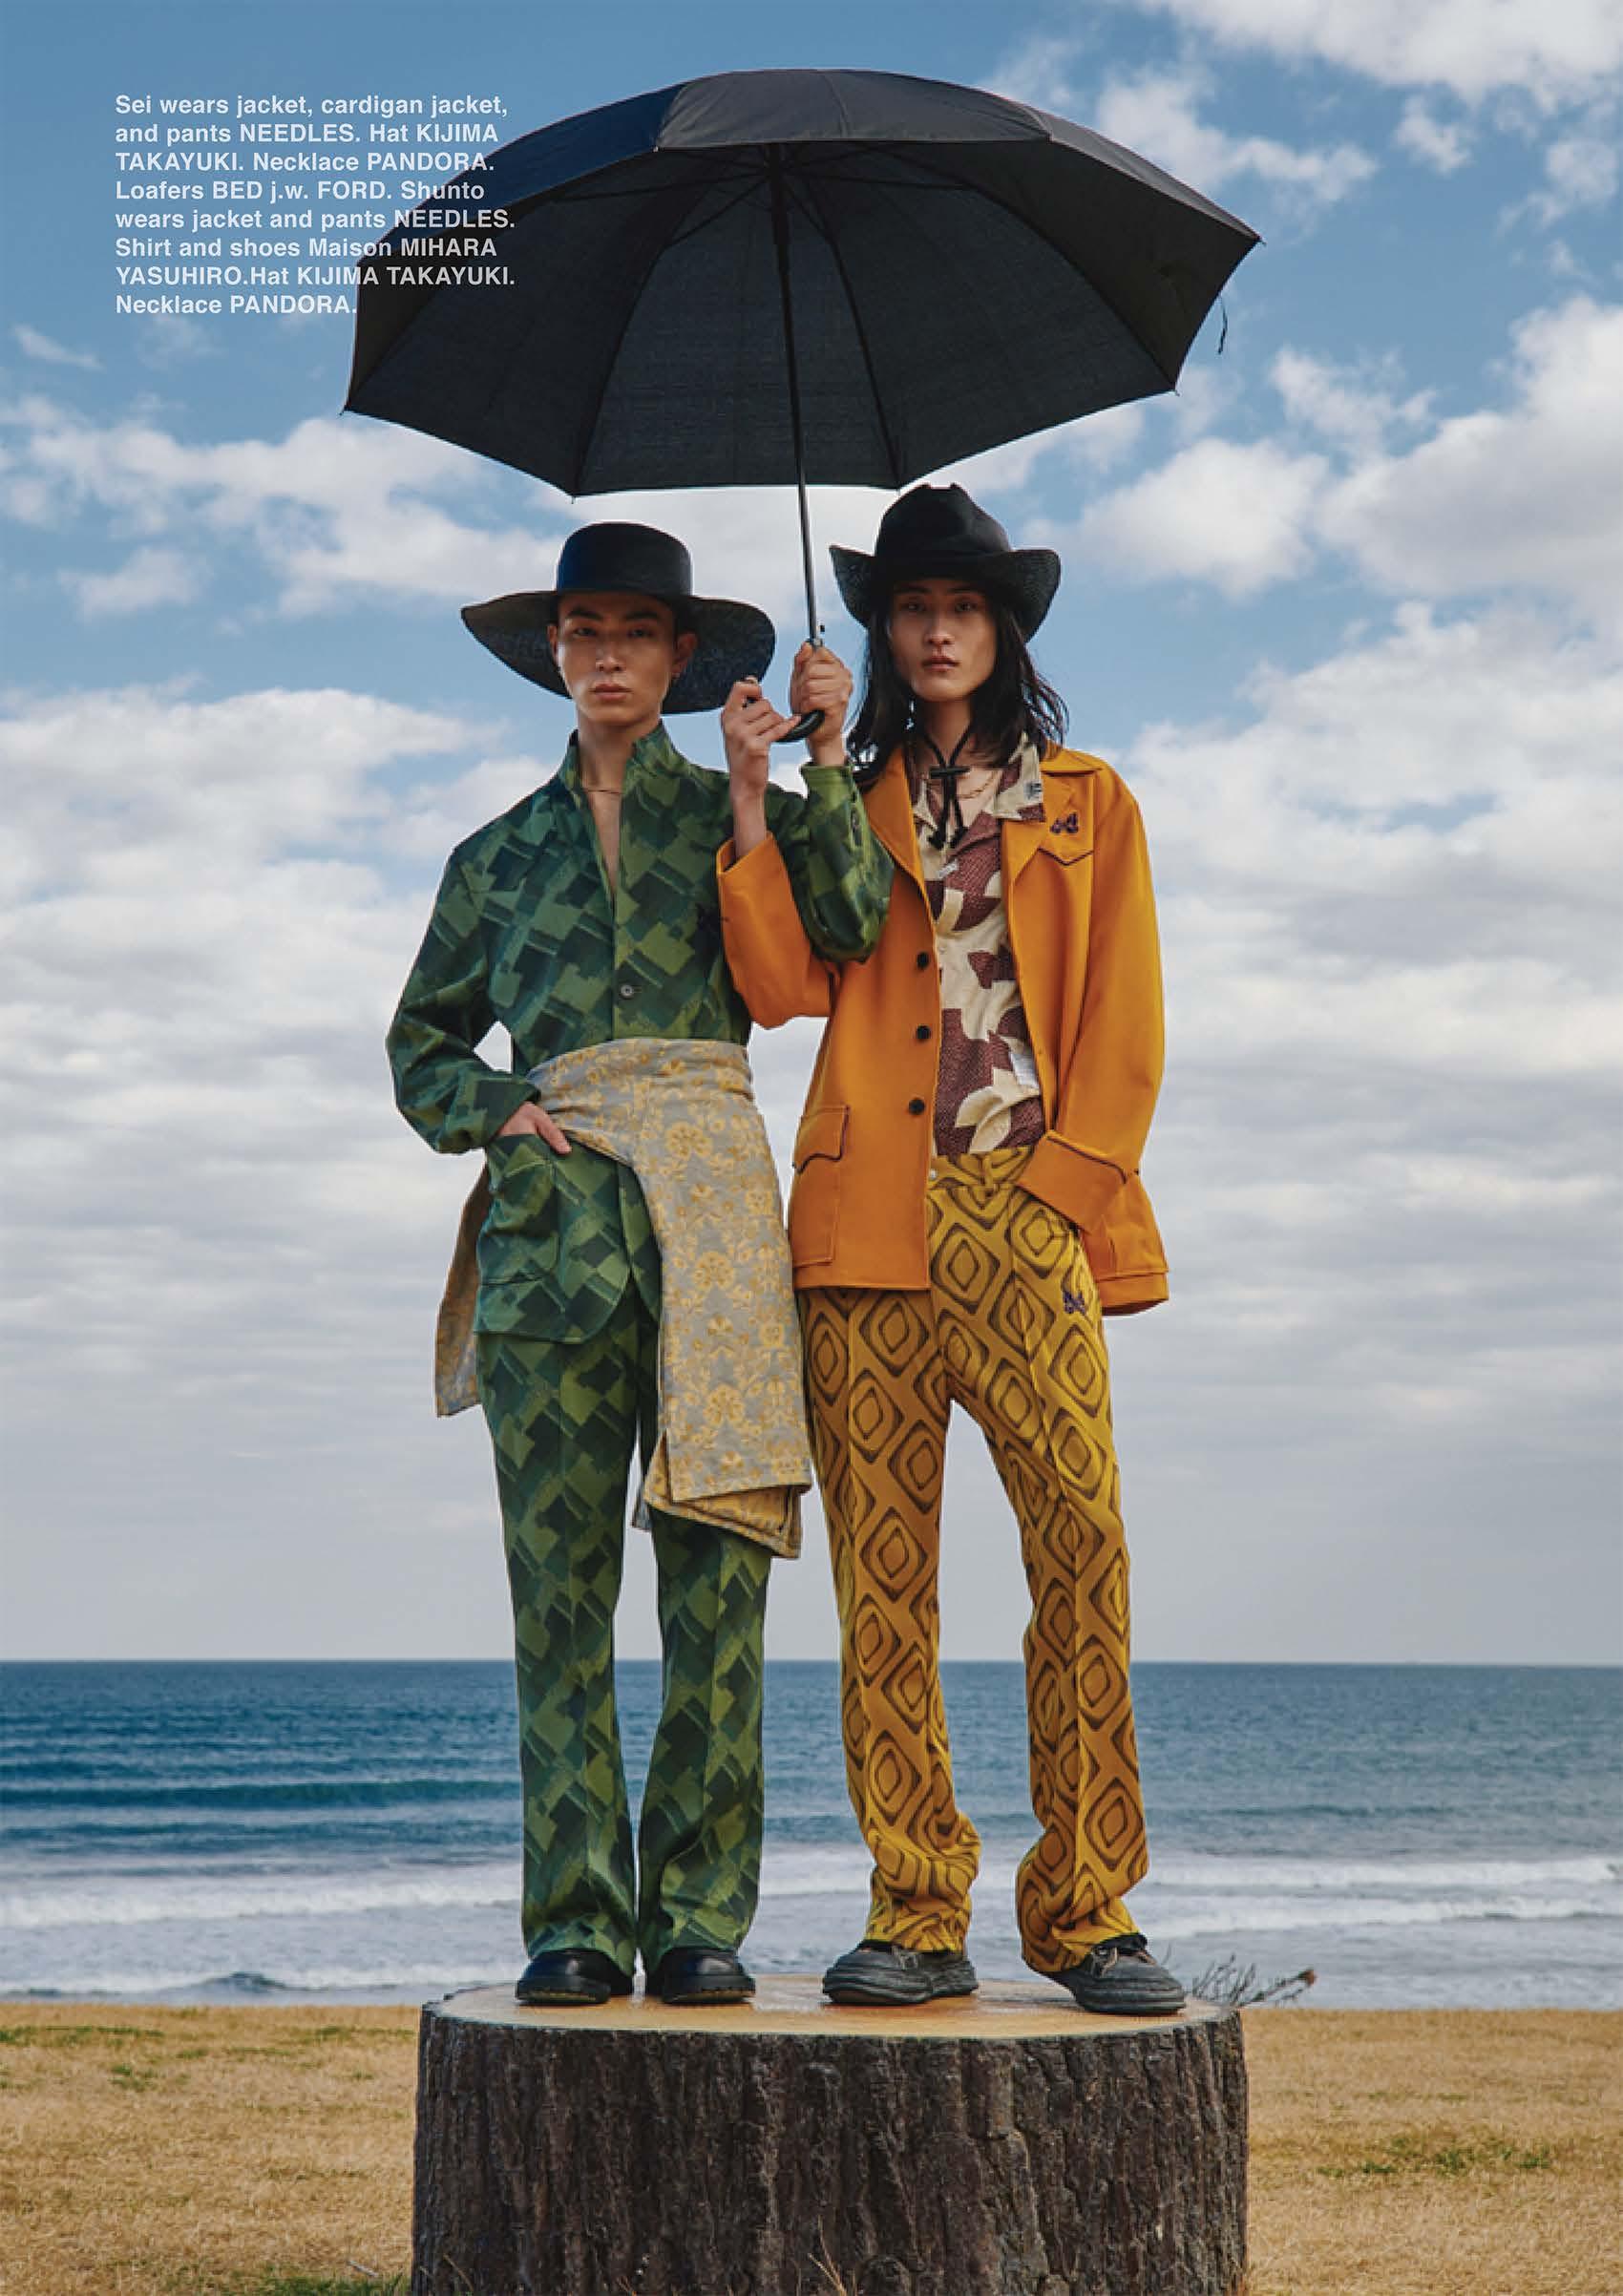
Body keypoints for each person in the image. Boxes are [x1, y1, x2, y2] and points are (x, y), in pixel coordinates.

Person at [387, 520, 893, 2009]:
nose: (607, 653)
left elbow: (854, 925)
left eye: (635, 630)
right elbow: (419, 1045)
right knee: (557, 1606)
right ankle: (575, 1922)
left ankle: (696, 1917)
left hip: (715, 1240)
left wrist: (821, 754)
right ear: (555, 651)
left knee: (718, 1596)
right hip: (550, 1261)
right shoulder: (494, 859)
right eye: (583, 629)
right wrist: (501, 1108)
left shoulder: (742, 813)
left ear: (680, 655)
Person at [718, 484, 1185, 2014]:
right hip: (863, 1228)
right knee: (884, 1583)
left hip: (1025, 1209)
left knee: (1084, 1544)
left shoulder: (1090, 801)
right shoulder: (844, 800)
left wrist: (1066, 1187)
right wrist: (766, 791)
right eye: (912, 607)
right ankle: (917, 1907)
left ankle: (1088, 1905)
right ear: (883, 630)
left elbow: (1126, 1013)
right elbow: (784, 986)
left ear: (1003, 629)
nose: (935, 630)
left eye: (961, 607)